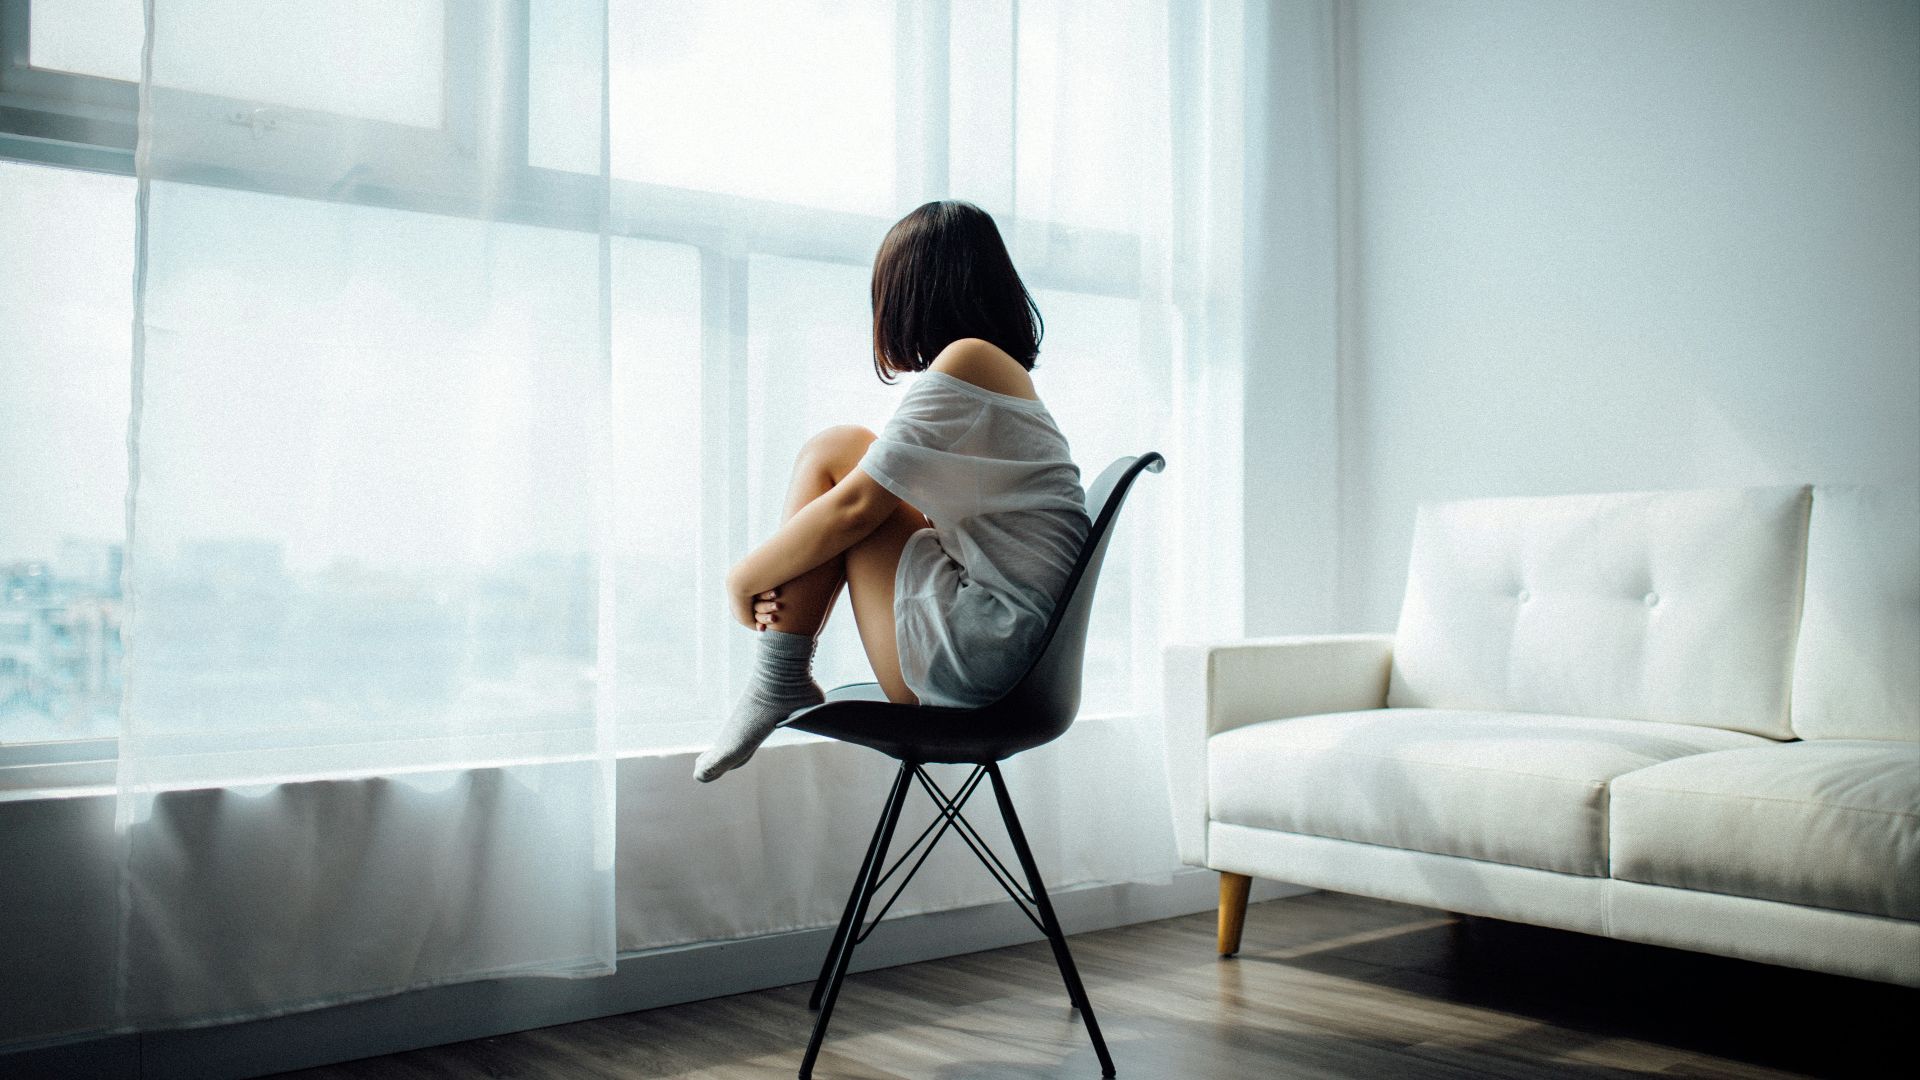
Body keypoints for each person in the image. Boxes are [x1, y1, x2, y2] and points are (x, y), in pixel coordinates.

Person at [693, 200, 1091, 782]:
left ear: (911, 293)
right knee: (846, 450)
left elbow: (856, 510)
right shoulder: (996, 373)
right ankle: (778, 677)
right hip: (1011, 655)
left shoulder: (970, 360)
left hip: (983, 661)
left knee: (835, 455)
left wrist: (742, 579)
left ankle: (777, 677)